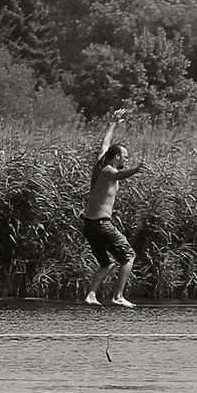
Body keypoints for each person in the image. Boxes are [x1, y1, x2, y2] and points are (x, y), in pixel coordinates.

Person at [82, 111, 144, 308]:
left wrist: (113, 123)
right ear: (117, 157)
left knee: (107, 263)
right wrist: (135, 170)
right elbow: (119, 175)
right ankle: (118, 296)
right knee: (129, 256)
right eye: (125, 156)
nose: (127, 159)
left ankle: (91, 295)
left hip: (90, 225)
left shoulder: (101, 162)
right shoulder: (108, 171)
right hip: (101, 224)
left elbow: (104, 145)